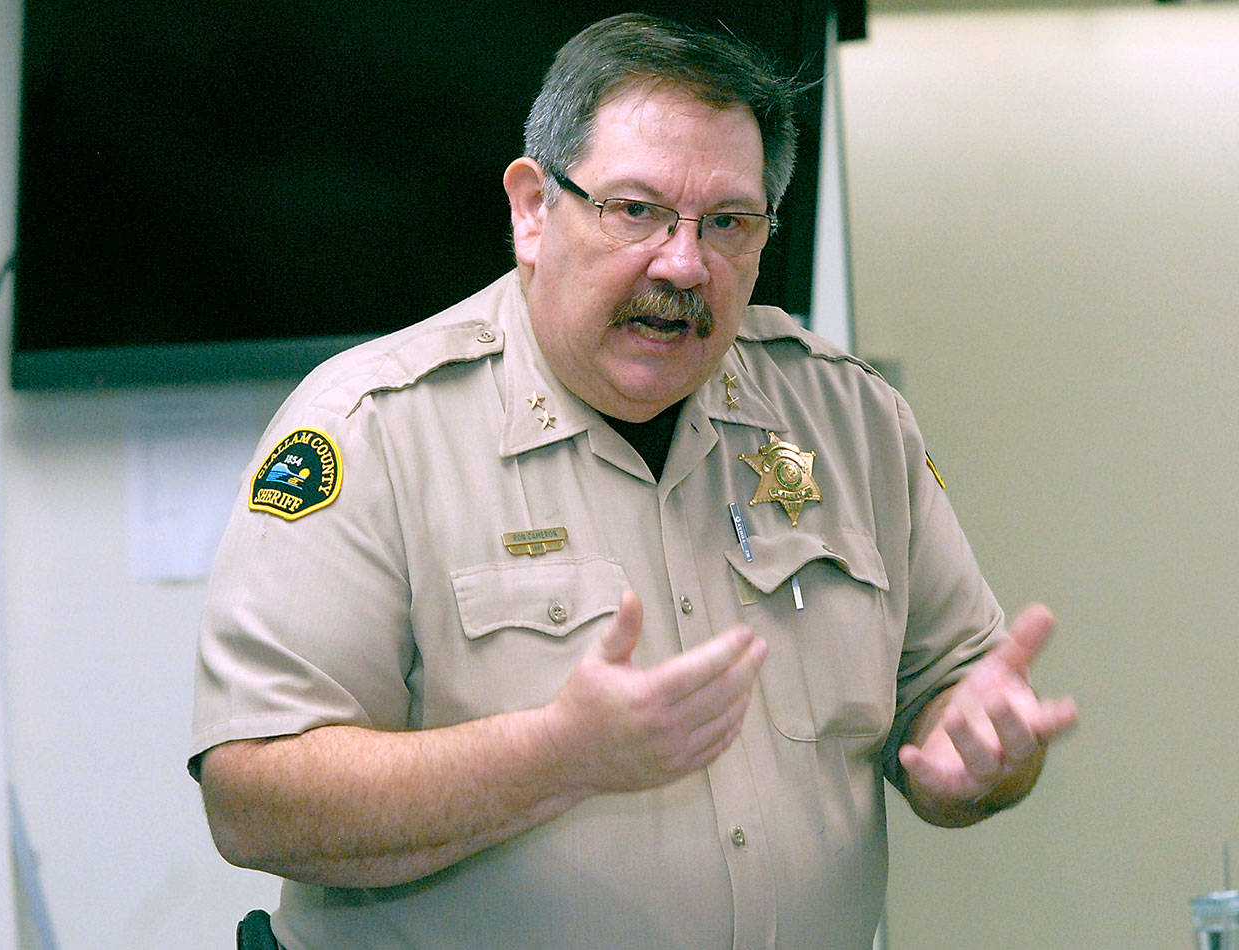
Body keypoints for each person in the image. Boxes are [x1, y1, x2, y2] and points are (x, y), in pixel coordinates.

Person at [190, 13, 1078, 948]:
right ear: (534, 209)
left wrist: (979, 754)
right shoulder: (372, 428)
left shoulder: (849, 421)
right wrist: (554, 757)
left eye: (728, 223)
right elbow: (254, 801)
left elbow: (949, 691)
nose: (684, 263)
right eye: (637, 211)